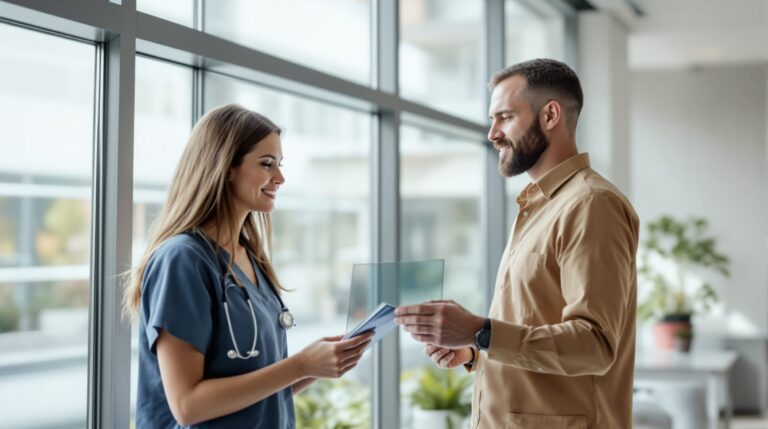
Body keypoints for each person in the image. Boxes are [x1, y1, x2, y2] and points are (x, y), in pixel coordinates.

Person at [394, 58, 639, 428]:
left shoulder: (591, 205)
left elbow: (595, 345)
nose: (492, 133)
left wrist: (481, 331)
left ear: (550, 115)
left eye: (505, 117)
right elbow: (536, 325)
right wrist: (474, 350)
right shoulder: (537, 206)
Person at [123, 104, 373, 428]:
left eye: (279, 164)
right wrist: (300, 364)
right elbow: (187, 406)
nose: (280, 178)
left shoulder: (250, 258)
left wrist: (315, 365)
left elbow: (259, 393)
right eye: (267, 164)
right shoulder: (183, 260)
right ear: (226, 167)